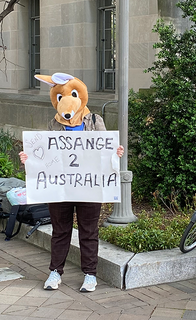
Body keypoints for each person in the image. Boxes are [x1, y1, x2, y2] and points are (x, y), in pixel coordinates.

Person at [18, 72, 124, 292]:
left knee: (88, 231)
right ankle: (55, 272)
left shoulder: (95, 121)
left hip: (89, 186)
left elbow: (105, 152)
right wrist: (28, 159)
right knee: (60, 230)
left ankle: (90, 275)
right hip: (61, 188)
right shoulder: (53, 125)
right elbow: (44, 156)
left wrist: (115, 153)